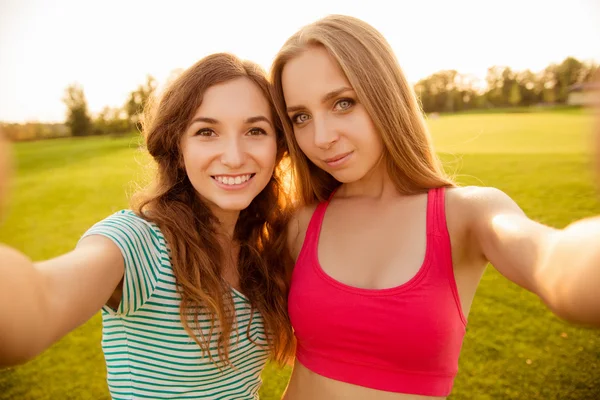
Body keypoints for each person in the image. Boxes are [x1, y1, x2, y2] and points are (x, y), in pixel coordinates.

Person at [269, 14, 600, 400]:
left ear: (384, 95)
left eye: (343, 103)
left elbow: (554, 261)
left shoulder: (466, 215)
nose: (321, 137)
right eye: (301, 117)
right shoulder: (298, 223)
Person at [0, 52, 295, 399]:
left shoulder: (264, 247)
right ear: (177, 145)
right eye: (207, 131)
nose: (233, 155)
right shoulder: (139, 243)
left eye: (255, 130)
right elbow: (42, 302)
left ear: (278, 146)